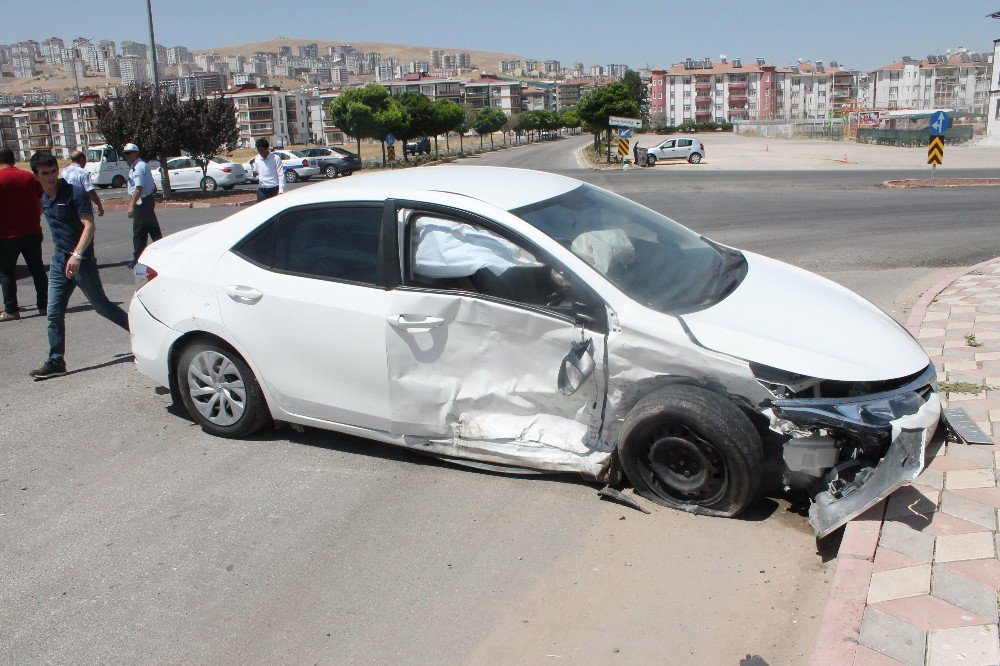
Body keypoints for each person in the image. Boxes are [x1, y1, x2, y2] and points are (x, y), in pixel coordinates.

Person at [28, 151, 129, 380]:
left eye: (54, 171)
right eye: (45, 173)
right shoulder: (44, 198)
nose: (51, 177)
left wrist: (77, 255)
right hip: (58, 263)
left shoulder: (75, 193)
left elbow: (89, 226)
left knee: (102, 307)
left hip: (81, 261)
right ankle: (56, 361)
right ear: (36, 176)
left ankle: (144, 335)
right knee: (53, 312)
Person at [0, 147, 48, 322]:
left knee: (6, 273)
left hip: (6, 235)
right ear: (13, 160)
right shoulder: (28, 177)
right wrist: (36, 216)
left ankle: (11, 309)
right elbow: (42, 200)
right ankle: (44, 305)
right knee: (37, 269)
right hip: (32, 231)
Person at [123, 142, 161, 268]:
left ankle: (138, 259)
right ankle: (161, 253)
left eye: (128, 153)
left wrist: (131, 206)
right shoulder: (138, 165)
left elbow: (138, 188)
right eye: (125, 154)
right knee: (151, 229)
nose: (126, 156)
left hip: (142, 202)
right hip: (146, 200)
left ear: (136, 153)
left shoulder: (138, 167)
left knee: (139, 232)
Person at [61, 150, 105, 217]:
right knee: (88, 226)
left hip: (67, 206)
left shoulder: (64, 171)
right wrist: (99, 206)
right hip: (81, 207)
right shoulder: (83, 172)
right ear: (82, 159)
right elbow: (90, 191)